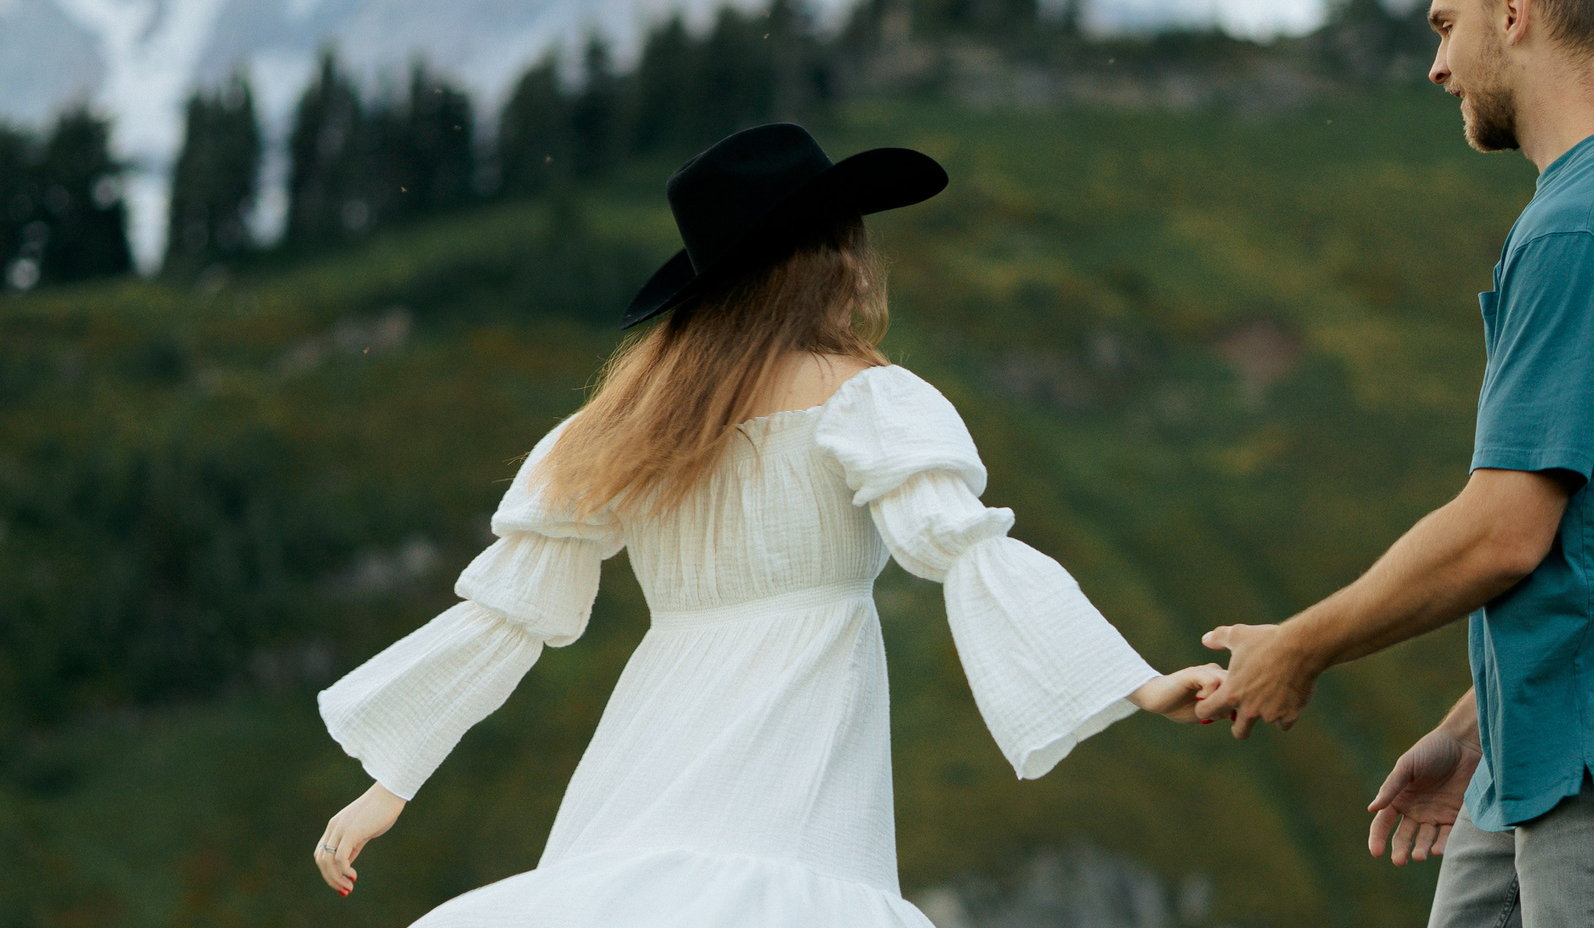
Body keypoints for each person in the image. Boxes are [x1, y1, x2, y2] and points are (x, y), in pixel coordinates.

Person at [309, 122, 1225, 924]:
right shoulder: (868, 400)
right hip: (795, 751)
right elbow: (964, 549)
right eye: (853, 237)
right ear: (827, 256)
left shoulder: (627, 425)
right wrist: (1135, 685)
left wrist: (391, 784)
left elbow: (511, 612)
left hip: (648, 751)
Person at [1194, 0, 1594, 925]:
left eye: (1443, 27)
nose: (1435, 65)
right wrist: (1474, 728)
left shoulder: (1588, 224)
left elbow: (1506, 531)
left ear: (1514, 11)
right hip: (1545, 734)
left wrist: (1301, 645)